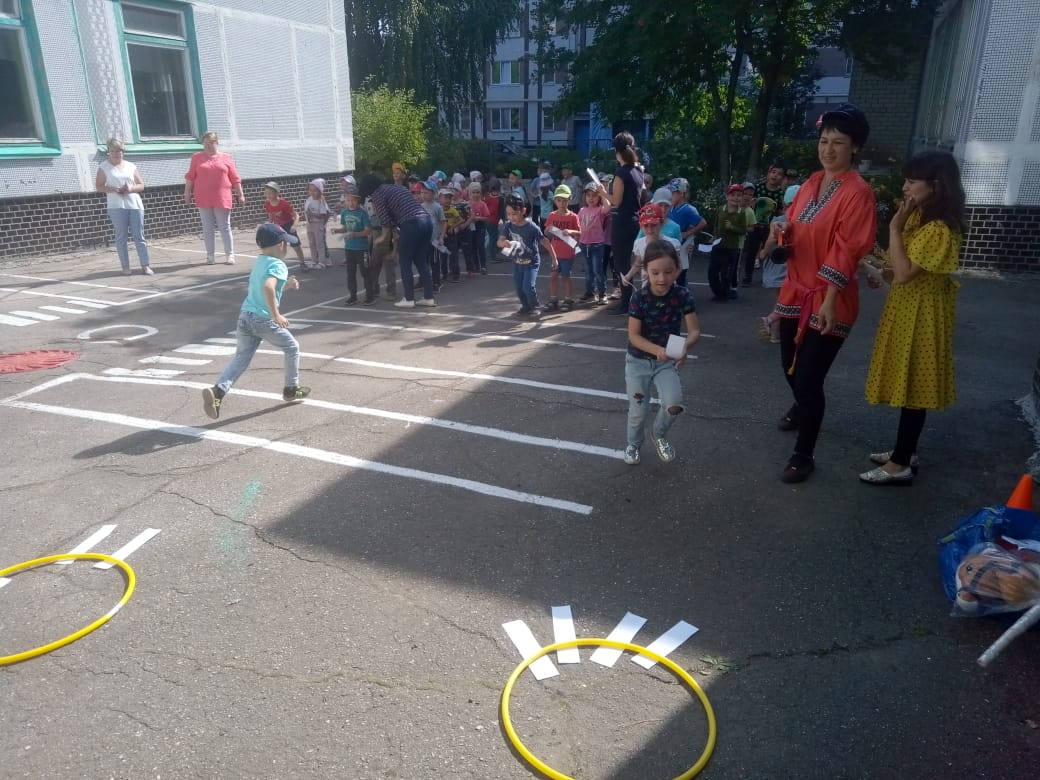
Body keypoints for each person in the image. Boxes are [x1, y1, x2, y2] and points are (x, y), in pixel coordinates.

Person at [767, 103, 877, 483]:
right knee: (788, 364)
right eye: (824, 140)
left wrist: (829, 300)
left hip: (831, 297)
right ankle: (802, 407)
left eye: (838, 142)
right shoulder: (811, 183)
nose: (828, 149)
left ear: (854, 147)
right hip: (795, 289)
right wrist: (782, 229)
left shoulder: (859, 193)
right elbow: (796, 226)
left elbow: (847, 249)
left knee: (809, 377)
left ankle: (804, 454)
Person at [860, 151, 966, 485]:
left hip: (922, 313)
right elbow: (899, 268)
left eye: (911, 181)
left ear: (935, 185)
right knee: (909, 382)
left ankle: (901, 463)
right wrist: (879, 269)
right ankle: (905, 452)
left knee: (914, 385)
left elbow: (905, 273)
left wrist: (893, 226)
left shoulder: (938, 228)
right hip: (909, 307)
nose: (905, 187)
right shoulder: (921, 218)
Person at [200, 223, 310, 420]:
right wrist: (276, 315)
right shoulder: (278, 265)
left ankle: (218, 392)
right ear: (281, 245)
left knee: (241, 358)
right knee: (292, 347)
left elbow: (266, 289)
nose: (286, 246)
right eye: (285, 243)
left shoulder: (260, 261)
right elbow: (268, 288)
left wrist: (286, 287)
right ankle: (291, 388)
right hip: (262, 319)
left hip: (245, 316)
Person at [623, 239, 701, 465]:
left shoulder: (682, 295)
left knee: (674, 404)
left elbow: (694, 330)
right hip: (638, 362)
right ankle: (633, 444)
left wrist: (684, 347)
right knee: (638, 410)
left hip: (666, 362)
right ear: (645, 270)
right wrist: (657, 349)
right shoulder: (639, 297)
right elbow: (634, 336)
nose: (662, 278)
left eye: (668, 272)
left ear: (677, 268)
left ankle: (658, 434)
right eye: (655, 272)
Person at [360, 177, 436, 308]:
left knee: (405, 262)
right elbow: (394, 216)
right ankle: (429, 297)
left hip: (411, 224)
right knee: (421, 261)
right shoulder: (397, 187)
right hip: (426, 221)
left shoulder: (378, 194)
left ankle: (409, 298)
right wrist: (394, 233)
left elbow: (385, 219)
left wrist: (383, 237)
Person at [598, 131, 645, 316]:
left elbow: (616, 201)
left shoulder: (621, 173)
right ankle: (629, 301)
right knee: (629, 262)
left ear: (617, 152)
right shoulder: (638, 171)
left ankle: (626, 303)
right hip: (635, 220)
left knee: (621, 264)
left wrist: (603, 193)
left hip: (622, 221)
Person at [184, 131, 244, 265]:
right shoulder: (196, 157)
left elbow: (235, 178)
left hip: (222, 196)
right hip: (203, 196)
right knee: (207, 227)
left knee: (224, 226)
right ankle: (210, 255)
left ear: (217, 142)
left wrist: (240, 194)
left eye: (211, 142)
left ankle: (230, 255)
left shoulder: (227, 157)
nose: (207, 146)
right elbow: (190, 177)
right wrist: (187, 193)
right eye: (205, 143)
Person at [95, 137, 153, 276]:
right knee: (121, 237)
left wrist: (130, 188)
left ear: (123, 152)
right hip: (116, 206)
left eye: (119, 151)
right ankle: (125, 266)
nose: (116, 154)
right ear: (109, 151)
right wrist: (114, 189)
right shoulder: (104, 167)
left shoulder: (130, 166)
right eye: (113, 151)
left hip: (134, 204)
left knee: (139, 236)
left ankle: (145, 265)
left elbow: (141, 185)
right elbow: (99, 186)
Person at [498, 194, 557, 320]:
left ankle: (535, 306)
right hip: (517, 263)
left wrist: (554, 258)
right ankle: (525, 306)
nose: (511, 217)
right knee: (519, 289)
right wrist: (503, 243)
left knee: (528, 287)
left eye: (514, 214)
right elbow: (499, 241)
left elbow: (545, 242)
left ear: (523, 211)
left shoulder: (531, 227)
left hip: (531, 262)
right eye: (508, 214)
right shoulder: (508, 225)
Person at [757, 184, 800, 344]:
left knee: (783, 300)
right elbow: (770, 241)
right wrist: (764, 252)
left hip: (777, 269)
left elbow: (768, 244)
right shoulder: (786, 222)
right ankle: (770, 322)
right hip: (784, 269)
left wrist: (763, 254)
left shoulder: (779, 221)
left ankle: (775, 334)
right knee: (787, 301)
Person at [707, 185, 749, 301]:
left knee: (726, 273)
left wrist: (732, 227)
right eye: (732, 195)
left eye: (739, 195)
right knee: (712, 272)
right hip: (718, 246)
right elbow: (716, 225)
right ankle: (717, 293)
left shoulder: (741, 213)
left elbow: (743, 230)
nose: (735, 198)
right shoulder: (720, 209)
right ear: (727, 197)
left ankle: (724, 295)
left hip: (731, 248)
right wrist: (714, 237)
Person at [332, 185, 372, 305]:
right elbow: (345, 227)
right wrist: (337, 230)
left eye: (353, 200)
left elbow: (368, 230)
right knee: (350, 273)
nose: (350, 203)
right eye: (348, 200)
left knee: (365, 272)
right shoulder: (344, 212)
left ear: (358, 200)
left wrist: (355, 234)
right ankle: (353, 296)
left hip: (362, 248)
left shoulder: (362, 213)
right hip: (349, 248)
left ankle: (370, 296)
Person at [626, 203, 681, 290]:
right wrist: (628, 276)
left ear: (661, 223)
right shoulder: (639, 244)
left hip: (668, 287)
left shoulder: (672, 243)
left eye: (654, 225)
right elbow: (637, 264)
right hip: (647, 288)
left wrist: (669, 281)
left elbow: (679, 266)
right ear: (641, 226)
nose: (650, 229)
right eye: (646, 226)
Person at [544, 184, 581, 311]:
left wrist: (570, 231)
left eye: (565, 200)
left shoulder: (573, 216)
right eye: (559, 200)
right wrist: (548, 229)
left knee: (565, 276)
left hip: (568, 253)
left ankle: (568, 299)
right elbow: (546, 233)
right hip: (555, 253)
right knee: (553, 276)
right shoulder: (552, 215)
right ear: (555, 200)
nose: (562, 203)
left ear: (570, 199)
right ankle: (553, 299)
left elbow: (580, 233)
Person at [578, 182, 611, 304]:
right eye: (588, 195)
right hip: (584, 244)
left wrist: (603, 193)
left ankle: (602, 293)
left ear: (599, 197)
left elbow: (608, 208)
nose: (591, 198)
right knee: (588, 271)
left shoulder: (600, 210)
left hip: (597, 244)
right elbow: (578, 226)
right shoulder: (582, 210)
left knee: (598, 270)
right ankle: (590, 292)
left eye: (594, 195)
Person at [261, 181, 306, 265]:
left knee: (296, 246)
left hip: (288, 226)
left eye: (270, 193)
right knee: (279, 247)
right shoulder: (267, 204)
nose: (268, 195)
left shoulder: (284, 204)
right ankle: (279, 265)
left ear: (277, 193)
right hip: (278, 227)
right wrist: (268, 226)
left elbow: (296, 215)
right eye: (266, 193)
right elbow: (270, 216)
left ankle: (302, 263)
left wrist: (294, 225)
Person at [301, 178, 330, 271]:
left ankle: (322, 262)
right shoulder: (309, 199)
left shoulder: (321, 201)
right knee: (312, 243)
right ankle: (314, 261)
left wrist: (312, 214)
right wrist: (306, 215)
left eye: (315, 190)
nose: (312, 192)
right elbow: (306, 211)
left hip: (317, 224)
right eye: (310, 190)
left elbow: (323, 215)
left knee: (319, 243)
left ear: (320, 191)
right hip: (309, 224)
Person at [467, 182, 491, 274]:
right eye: (473, 192)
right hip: (471, 226)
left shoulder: (482, 204)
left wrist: (479, 218)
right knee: (472, 246)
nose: (476, 194)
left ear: (480, 193)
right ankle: (476, 265)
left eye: (477, 192)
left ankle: (483, 265)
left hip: (480, 226)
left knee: (480, 246)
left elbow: (487, 217)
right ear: (470, 193)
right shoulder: (467, 204)